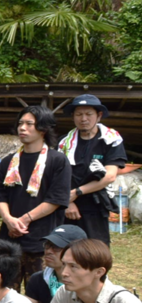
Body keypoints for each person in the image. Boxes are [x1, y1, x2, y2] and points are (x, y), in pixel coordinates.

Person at [0, 105, 71, 288]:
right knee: (5, 294)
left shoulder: (57, 160)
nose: (22, 128)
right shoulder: (8, 162)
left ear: (43, 129)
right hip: (9, 241)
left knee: (41, 296)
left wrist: (25, 219)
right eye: (20, 123)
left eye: (29, 124)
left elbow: (56, 199)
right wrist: (9, 220)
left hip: (43, 241)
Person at [60, 94, 127, 244]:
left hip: (96, 206)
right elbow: (56, 176)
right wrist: (68, 202)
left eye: (89, 114)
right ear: (73, 116)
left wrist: (77, 192)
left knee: (96, 251)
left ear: (99, 115)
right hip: (67, 207)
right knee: (65, 250)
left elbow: (109, 176)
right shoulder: (64, 143)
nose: (84, 119)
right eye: (79, 114)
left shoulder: (111, 140)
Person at [25, 224, 87, 303]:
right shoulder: (38, 279)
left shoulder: (88, 282)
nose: (48, 251)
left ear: (78, 251)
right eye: (47, 245)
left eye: (57, 247)